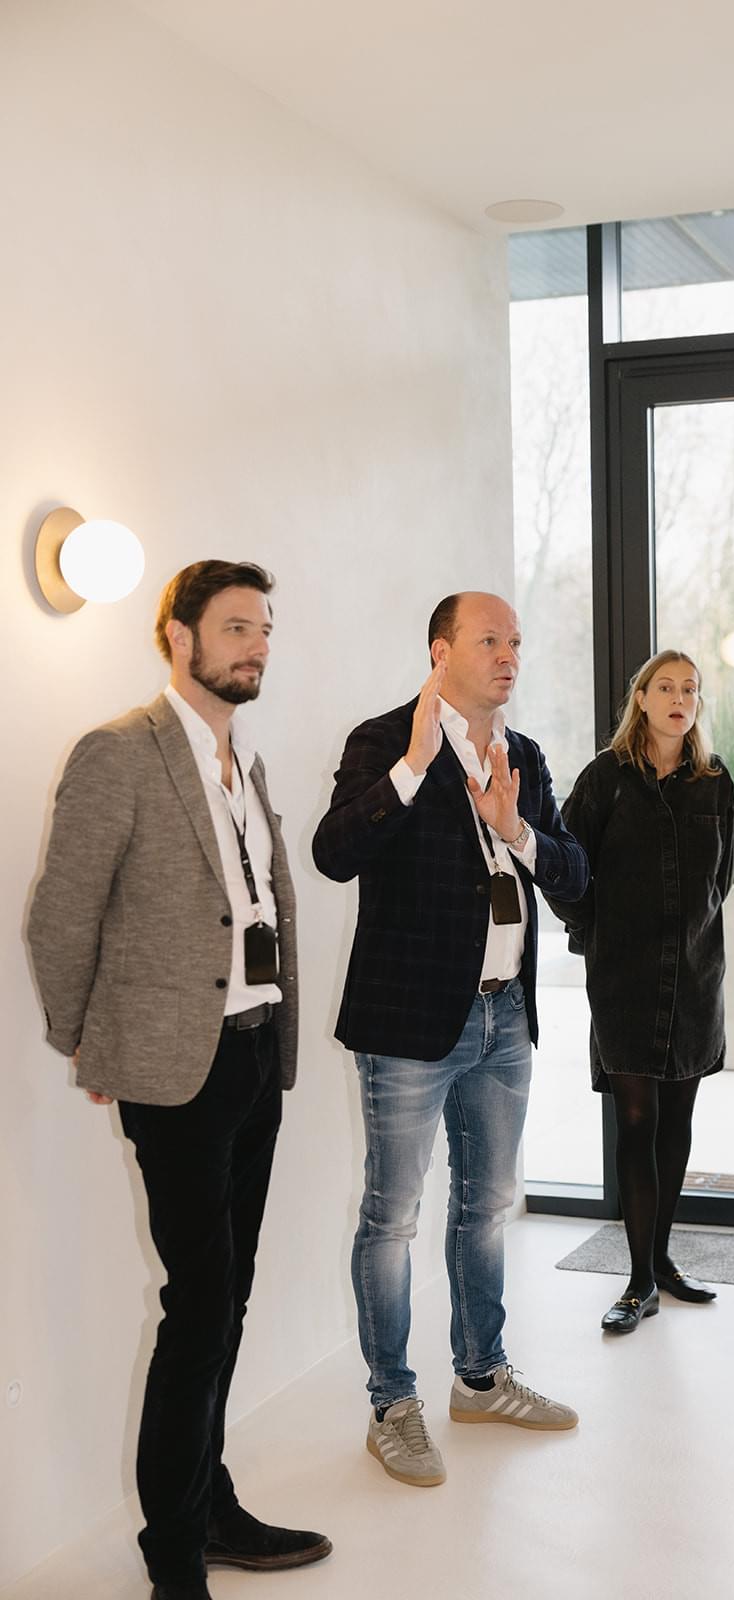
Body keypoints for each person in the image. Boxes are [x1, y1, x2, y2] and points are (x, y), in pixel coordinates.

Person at [27, 562, 330, 1600]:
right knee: (200, 1307)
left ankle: (211, 1505)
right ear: (178, 636)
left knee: (228, 1299)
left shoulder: (244, 761)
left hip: (254, 1053)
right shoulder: (120, 752)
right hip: (173, 1071)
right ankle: (173, 1553)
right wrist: (89, 1040)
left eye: (264, 629)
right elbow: (60, 916)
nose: (256, 645)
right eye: (235, 627)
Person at [312, 591, 588, 1487]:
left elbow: (575, 876)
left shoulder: (525, 754)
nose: (509, 656)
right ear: (440, 651)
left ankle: (480, 1378)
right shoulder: (383, 739)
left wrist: (517, 830)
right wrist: (411, 768)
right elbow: (332, 853)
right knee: (391, 1215)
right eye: (489, 640)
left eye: (516, 642)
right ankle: (391, 1404)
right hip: (409, 1023)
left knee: (485, 1205)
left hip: (504, 1018)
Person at [548, 650, 734, 1333]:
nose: (679, 699)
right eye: (666, 687)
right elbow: (564, 870)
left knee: (677, 1121)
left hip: (694, 978)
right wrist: (594, 933)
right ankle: (636, 1281)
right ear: (642, 699)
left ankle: (659, 1261)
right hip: (624, 980)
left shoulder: (714, 781)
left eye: (690, 689)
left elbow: (722, 879)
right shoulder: (605, 778)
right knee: (636, 1121)